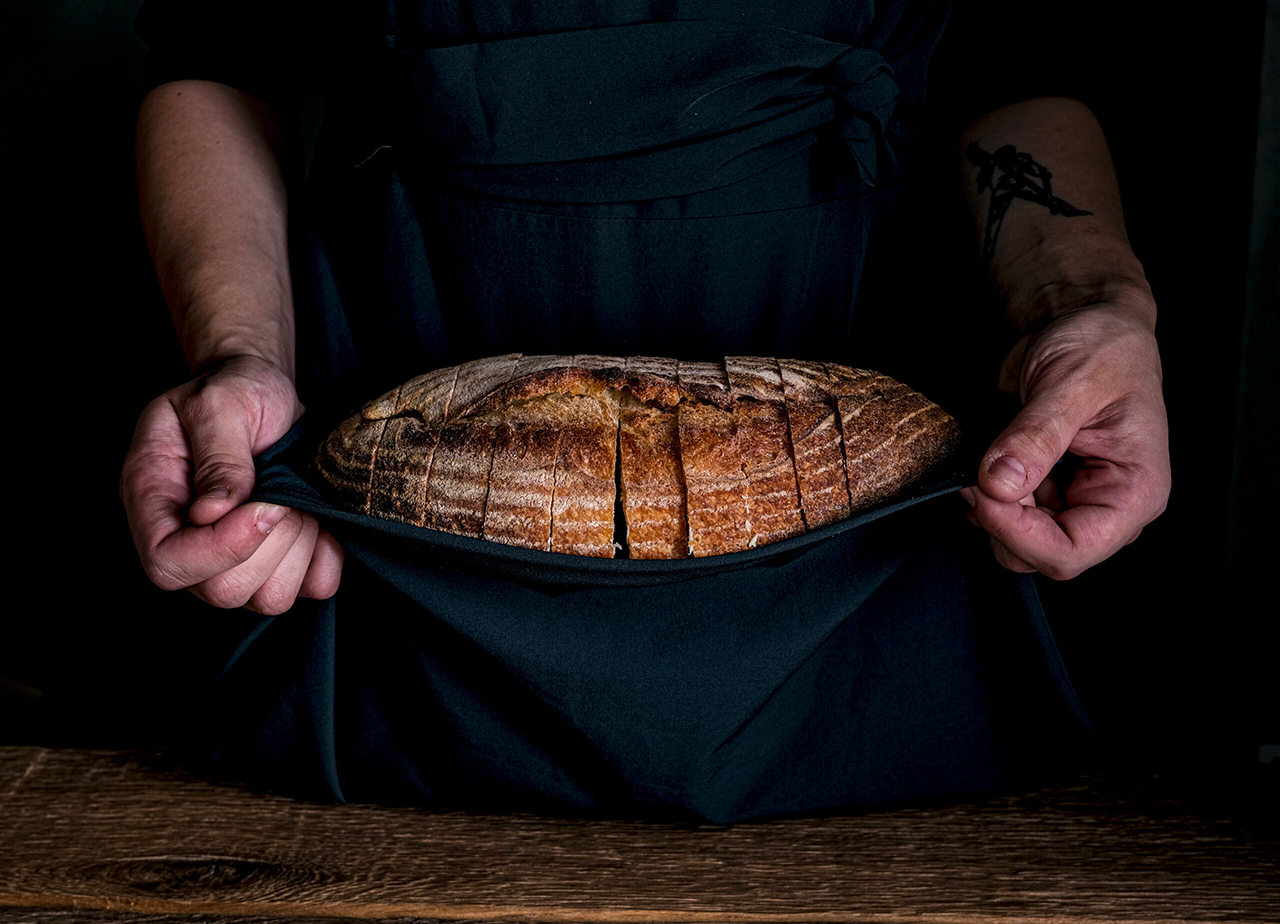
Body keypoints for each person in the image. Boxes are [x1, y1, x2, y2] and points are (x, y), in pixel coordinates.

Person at [120, 0, 1169, 819]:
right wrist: (239, 355)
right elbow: (219, 49)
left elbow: (1021, 67)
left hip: (871, 488)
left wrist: (1086, 304)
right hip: (397, 473)